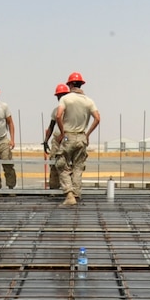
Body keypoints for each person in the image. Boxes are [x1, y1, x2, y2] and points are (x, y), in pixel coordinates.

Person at [53, 72, 100, 206]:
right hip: (81, 137)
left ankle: (69, 194)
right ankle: (76, 194)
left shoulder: (66, 99)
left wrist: (62, 133)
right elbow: (97, 118)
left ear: (70, 84)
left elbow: (58, 116)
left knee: (62, 165)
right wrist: (87, 134)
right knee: (78, 167)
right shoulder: (89, 101)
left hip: (68, 136)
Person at [43, 83, 67, 190]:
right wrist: (45, 141)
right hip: (56, 140)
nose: (60, 98)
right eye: (59, 96)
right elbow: (51, 126)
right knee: (53, 165)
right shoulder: (56, 111)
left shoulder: (71, 110)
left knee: (67, 165)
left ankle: (67, 190)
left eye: (63, 95)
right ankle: (53, 189)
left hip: (67, 140)